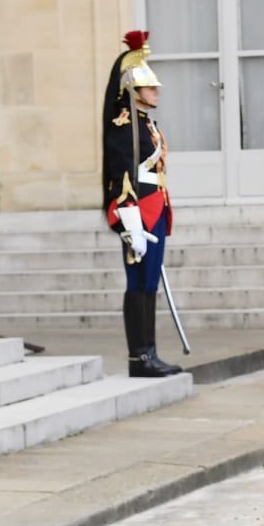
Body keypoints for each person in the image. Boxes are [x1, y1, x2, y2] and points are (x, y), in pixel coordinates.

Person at [102, 31, 180, 378]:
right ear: (133, 90)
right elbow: (121, 175)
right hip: (139, 213)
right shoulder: (124, 125)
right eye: (150, 88)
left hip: (156, 209)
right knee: (138, 283)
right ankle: (139, 357)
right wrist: (130, 220)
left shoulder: (146, 124)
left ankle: (150, 352)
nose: (156, 91)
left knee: (150, 283)